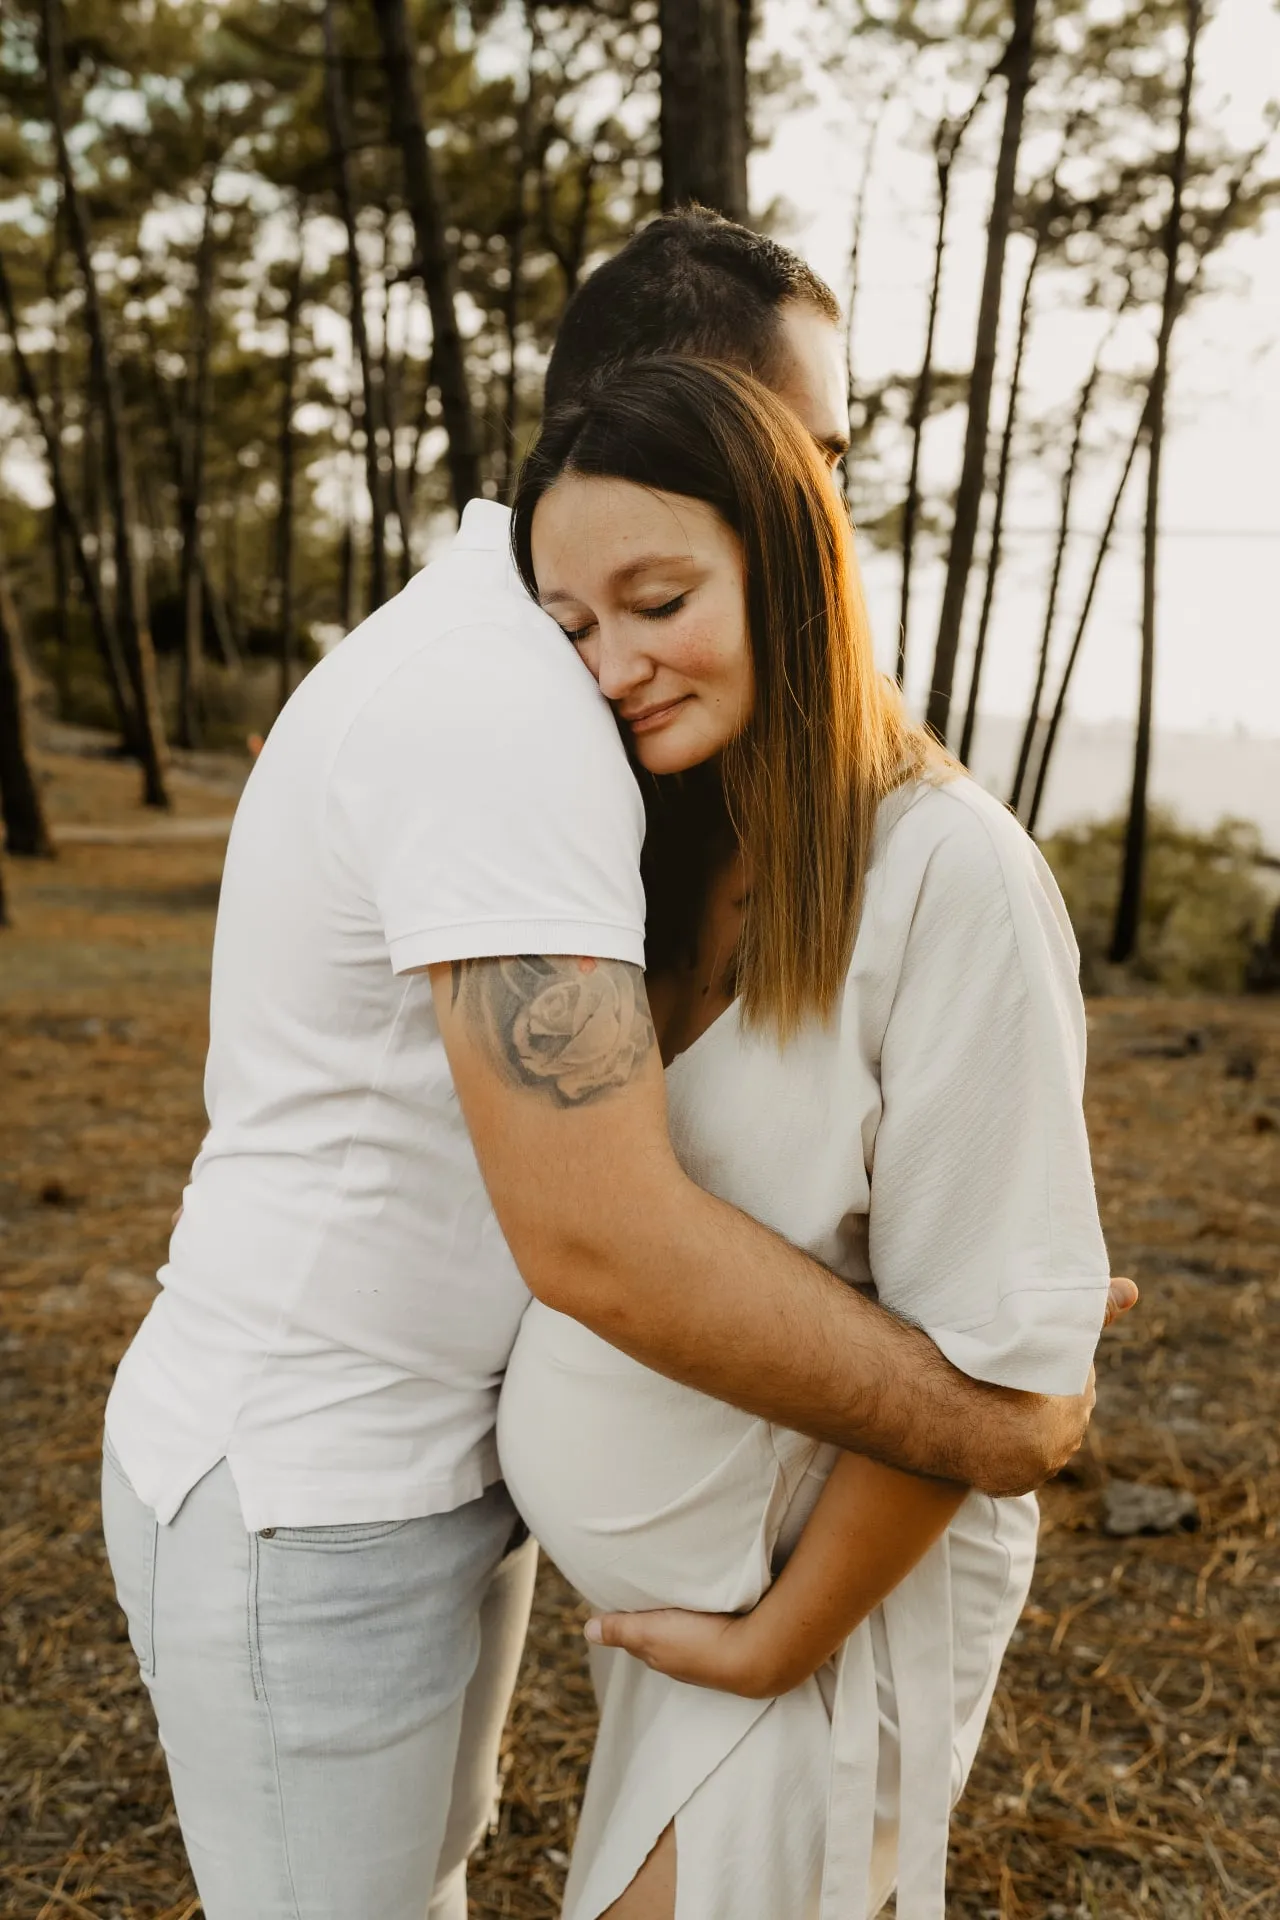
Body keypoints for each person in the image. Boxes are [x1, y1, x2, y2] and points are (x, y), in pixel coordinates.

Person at [100, 209, 1131, 1920]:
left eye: (832, 469)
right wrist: (995, 1412)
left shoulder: (879, 847)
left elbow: (916, 1229)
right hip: (337, 1494)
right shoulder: (527, 719)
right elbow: (602, 1235)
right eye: (807, 453)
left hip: (708, 1589)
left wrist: (998, 1358)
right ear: (689, 434)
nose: (829, 507)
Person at [494, 354, 1114, 1919]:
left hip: (827, 1622)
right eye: (570, 628)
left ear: (786, 565)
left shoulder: (948, 879)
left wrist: (784, 1640)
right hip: (709, 1607)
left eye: (655, 599)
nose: (614, 662)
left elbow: (993, 1359)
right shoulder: (647, 858)